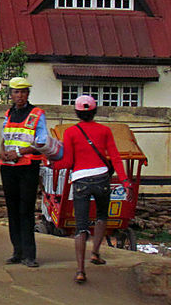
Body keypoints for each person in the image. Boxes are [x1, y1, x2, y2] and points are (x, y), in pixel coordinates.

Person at [52, 95, 131, 284]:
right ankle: (95, 253)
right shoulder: (105, 131)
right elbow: (115, 157)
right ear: (94, 111)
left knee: (81, 227)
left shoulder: (70, 132)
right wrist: (125, 182)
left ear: (77, 113)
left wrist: (51, 164)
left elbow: (69, 161)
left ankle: (80, 270)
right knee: (102, 215)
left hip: (81, 181)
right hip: (102, 178)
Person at [0, 76, 48, 268]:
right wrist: (2, 152)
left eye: (23, 92)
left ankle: (29, 254)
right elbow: (5, 137)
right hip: (8, 168)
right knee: (12, 210)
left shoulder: (37, 114)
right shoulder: (8, 114)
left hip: (28, 167)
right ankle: (17, 251)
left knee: (25, 210)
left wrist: (19, 152)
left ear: (28, 94)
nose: (19, 95)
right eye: (16, 92)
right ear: (11, 94)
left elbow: (41, 143)